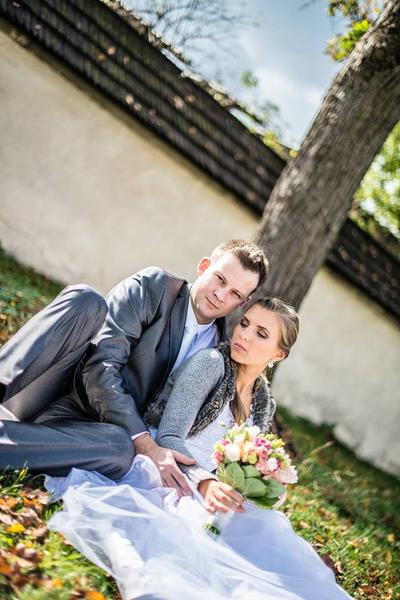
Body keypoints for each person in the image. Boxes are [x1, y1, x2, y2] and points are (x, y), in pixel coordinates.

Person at [46, 298, 352, 600]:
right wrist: (204, 481)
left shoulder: (264, 403)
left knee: (267, 541)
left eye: (261, 333)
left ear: (279, 354)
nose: (244, 335)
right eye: (245, 323)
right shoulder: (211, 364)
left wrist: (262, 484)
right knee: (183, 551)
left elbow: (240, 465)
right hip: (166, 472)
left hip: (209, 488)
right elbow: (169, 436)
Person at [0, 240, 267, 490]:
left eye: (235, 293)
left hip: (93, 434)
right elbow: (100, 365)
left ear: (243, 303)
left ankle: (14, 444)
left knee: (121, 450)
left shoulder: (219, 355)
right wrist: (144, 442)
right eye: (220, 279)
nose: (221, 295)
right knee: (86, 300)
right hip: (51, 389)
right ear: (204, 266)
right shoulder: (154, 287)